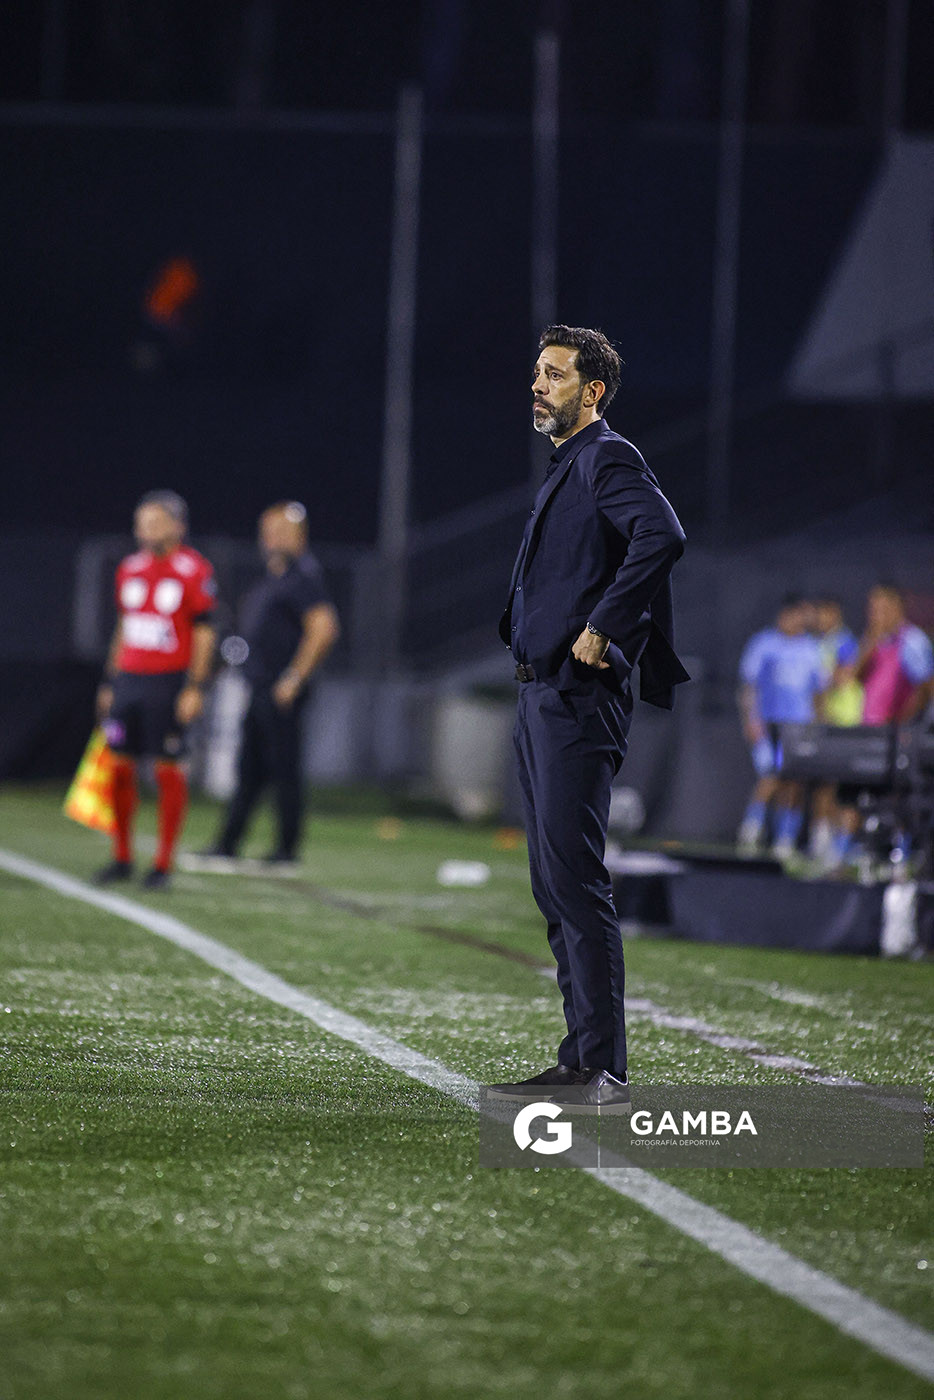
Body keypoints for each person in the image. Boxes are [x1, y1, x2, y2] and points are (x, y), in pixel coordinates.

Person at [489, 325, 689, 1115]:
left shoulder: (607, 454)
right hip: (542, 694)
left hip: (577, 697)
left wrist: (604, 624)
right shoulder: (569, 462)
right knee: (555, 884)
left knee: (577, 879)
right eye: (536, 372)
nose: (539, 385)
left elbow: (663, 534)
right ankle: (579, 1059)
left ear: (592, 391)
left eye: (555, 375)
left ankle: (601, 1068)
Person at [206, 502, 340, 865]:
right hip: (259, 685)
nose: (273, 538)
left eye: (282, 531)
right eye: (269, 531)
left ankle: (286, 849)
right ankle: (227, 843)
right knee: (248, 768)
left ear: (300, 536)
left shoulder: (303, 578)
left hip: (282, 689)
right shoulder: (273, 578)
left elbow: (324, 629)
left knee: (284, 770)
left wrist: (294, 677)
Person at [96, 491, 217, 889]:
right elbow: (124, 627)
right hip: (129, 681)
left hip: (168, 682)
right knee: (117, 765)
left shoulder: (193, 569)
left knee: (167, 769)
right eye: (140, 521)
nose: (145, 530)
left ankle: (163, 862)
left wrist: (195, 686)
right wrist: (112, 681)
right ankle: (122, 856)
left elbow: (204, 632)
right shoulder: (129, 568)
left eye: (154, 521)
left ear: (178, 526)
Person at [831, 584, 934, 867]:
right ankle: (841, 856)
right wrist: (870, 639)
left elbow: (925, 688)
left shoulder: (912, 641)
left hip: (900, 735)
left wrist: (902, 724)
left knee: (899, 797)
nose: (875, 614)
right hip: (869, 733)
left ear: (897, 607)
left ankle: (904, 856)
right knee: (856, 793)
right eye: (872, 608)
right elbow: (855, 676)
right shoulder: (875, 641)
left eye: (881, 608)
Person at [736, 594, 827, 858]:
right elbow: (749, 687)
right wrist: (751, 720)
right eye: (797, 614)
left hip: (799, 728)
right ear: (785, 615)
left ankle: (784, 840)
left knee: (794, 783)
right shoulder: (764, 644)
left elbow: (818, 693)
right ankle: (751, 830)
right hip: (770, 727)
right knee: (771, 777)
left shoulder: (811, 649)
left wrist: (818, 726)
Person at [809, 595, 861, 863]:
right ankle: (824, 844)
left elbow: (842, 678)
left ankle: (842, 848)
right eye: (819, 614)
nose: (821, 619)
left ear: (836, 614)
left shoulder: (845, 643)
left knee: (843, 787)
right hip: (829, 724)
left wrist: (819, 689)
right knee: (825, 786)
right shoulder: (821, 643)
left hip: (847, 724)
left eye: (826, 613)